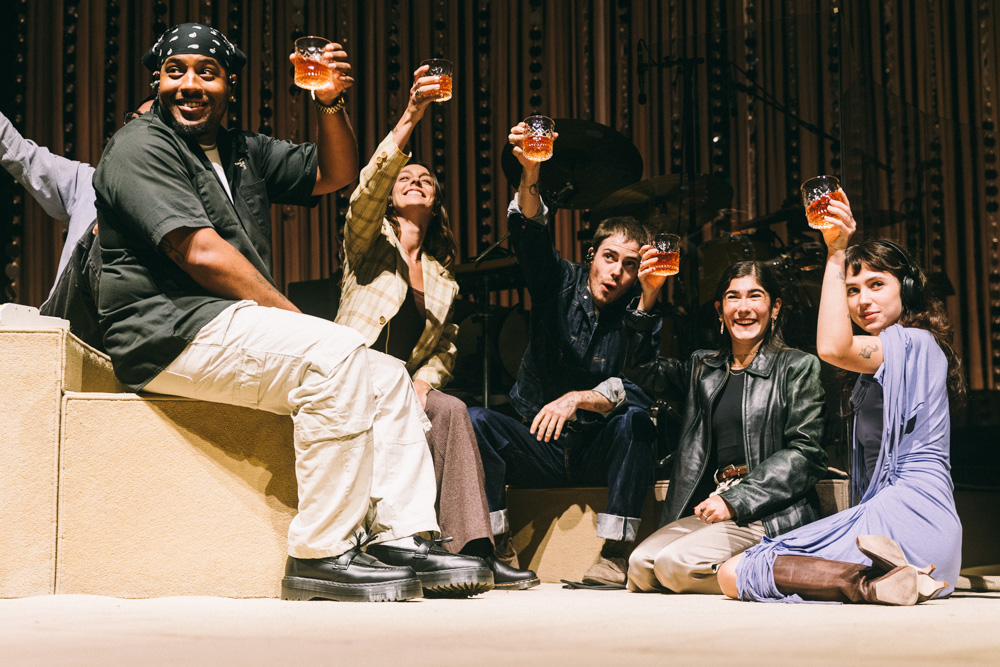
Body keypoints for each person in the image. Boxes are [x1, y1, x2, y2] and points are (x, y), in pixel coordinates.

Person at [93, 23, 491, 602]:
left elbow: (336, 174)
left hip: (226, 325)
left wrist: (330, 103)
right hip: (168, 331)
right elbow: (200, 252)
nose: (189, 84)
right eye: (175, 71)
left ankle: (401, 538)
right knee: (335, 354)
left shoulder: (242, 151)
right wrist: (296, 319)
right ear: (157, 80)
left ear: (230, 85)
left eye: (206, 72)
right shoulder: (140, 144)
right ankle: (323, 552)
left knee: (388, 375)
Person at [333, 66, 537, 590]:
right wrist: (411, 116)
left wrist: (428, 378)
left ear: (436, 200)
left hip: (400, 383)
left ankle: (473, 550)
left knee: (454, 412)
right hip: (353, 371)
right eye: (405, 177)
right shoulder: (367, 242)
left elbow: (444, 342)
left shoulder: (444, 277)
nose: (414, 180)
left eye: (425, 178)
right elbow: (365, 190)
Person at [718, 191, 964, 605]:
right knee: (735, 571)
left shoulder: (918, 342)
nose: (862, 299)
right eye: (851, 290)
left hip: (915, 513)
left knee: (734, 572)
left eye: (876, 285)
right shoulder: (878, 364)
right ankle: (890, 582)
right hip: (895, 518)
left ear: (904, 290)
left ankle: (878, 581)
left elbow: (832, 347)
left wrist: (836, 252)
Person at [467, 121, 658, 587]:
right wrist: (531, 172)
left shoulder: (638, 312)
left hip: (594, 446)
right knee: (476, 421)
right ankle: (495, 545)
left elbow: (641, 391)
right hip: (539, 441)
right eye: (610, 257)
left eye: (630, 266)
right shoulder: (559, 282)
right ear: (592, 254)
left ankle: (616, 555)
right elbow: (531, 235)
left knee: (636, 420)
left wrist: (580, 397)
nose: (617, 272)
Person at [623, 257, 828, 595]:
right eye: (733, 297)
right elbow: (640, 369)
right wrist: (647, 297)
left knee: (674, 565)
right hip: (719, 501)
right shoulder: (703, 368)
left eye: (755, 296)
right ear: (720, 310)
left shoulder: (797, 366)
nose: (743, 308)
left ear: (775, 307)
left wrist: (737, 499)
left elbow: (807, 453)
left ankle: (765, 573)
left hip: (771, 507)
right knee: (641, 566)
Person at [1, 99, 153, 347]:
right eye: (134, 120)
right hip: (66, 321)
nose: (138, 130)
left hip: (129, 327)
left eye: (151, 125)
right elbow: (21, 155)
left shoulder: (179, 199)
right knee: (100, 236)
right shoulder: (88, 182)